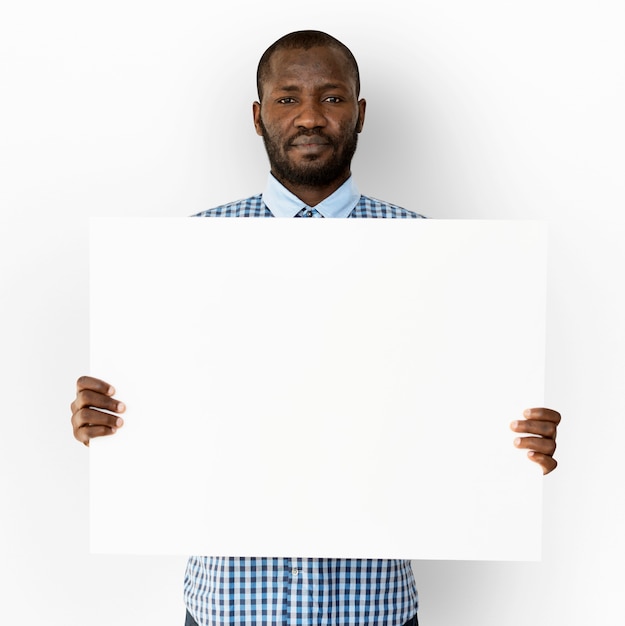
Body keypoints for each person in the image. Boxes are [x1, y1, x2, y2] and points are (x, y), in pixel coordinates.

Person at [70, 30, 561, 626]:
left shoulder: (433, 253)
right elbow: (163, 407)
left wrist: (512, 444)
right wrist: (109, 420)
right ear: (257, 116)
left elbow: (457, 407)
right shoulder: (186, 253)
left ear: (359, 113)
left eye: (331, 99)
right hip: (229, 605)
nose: (309, 116)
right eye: (287, 98)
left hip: (372, 607)